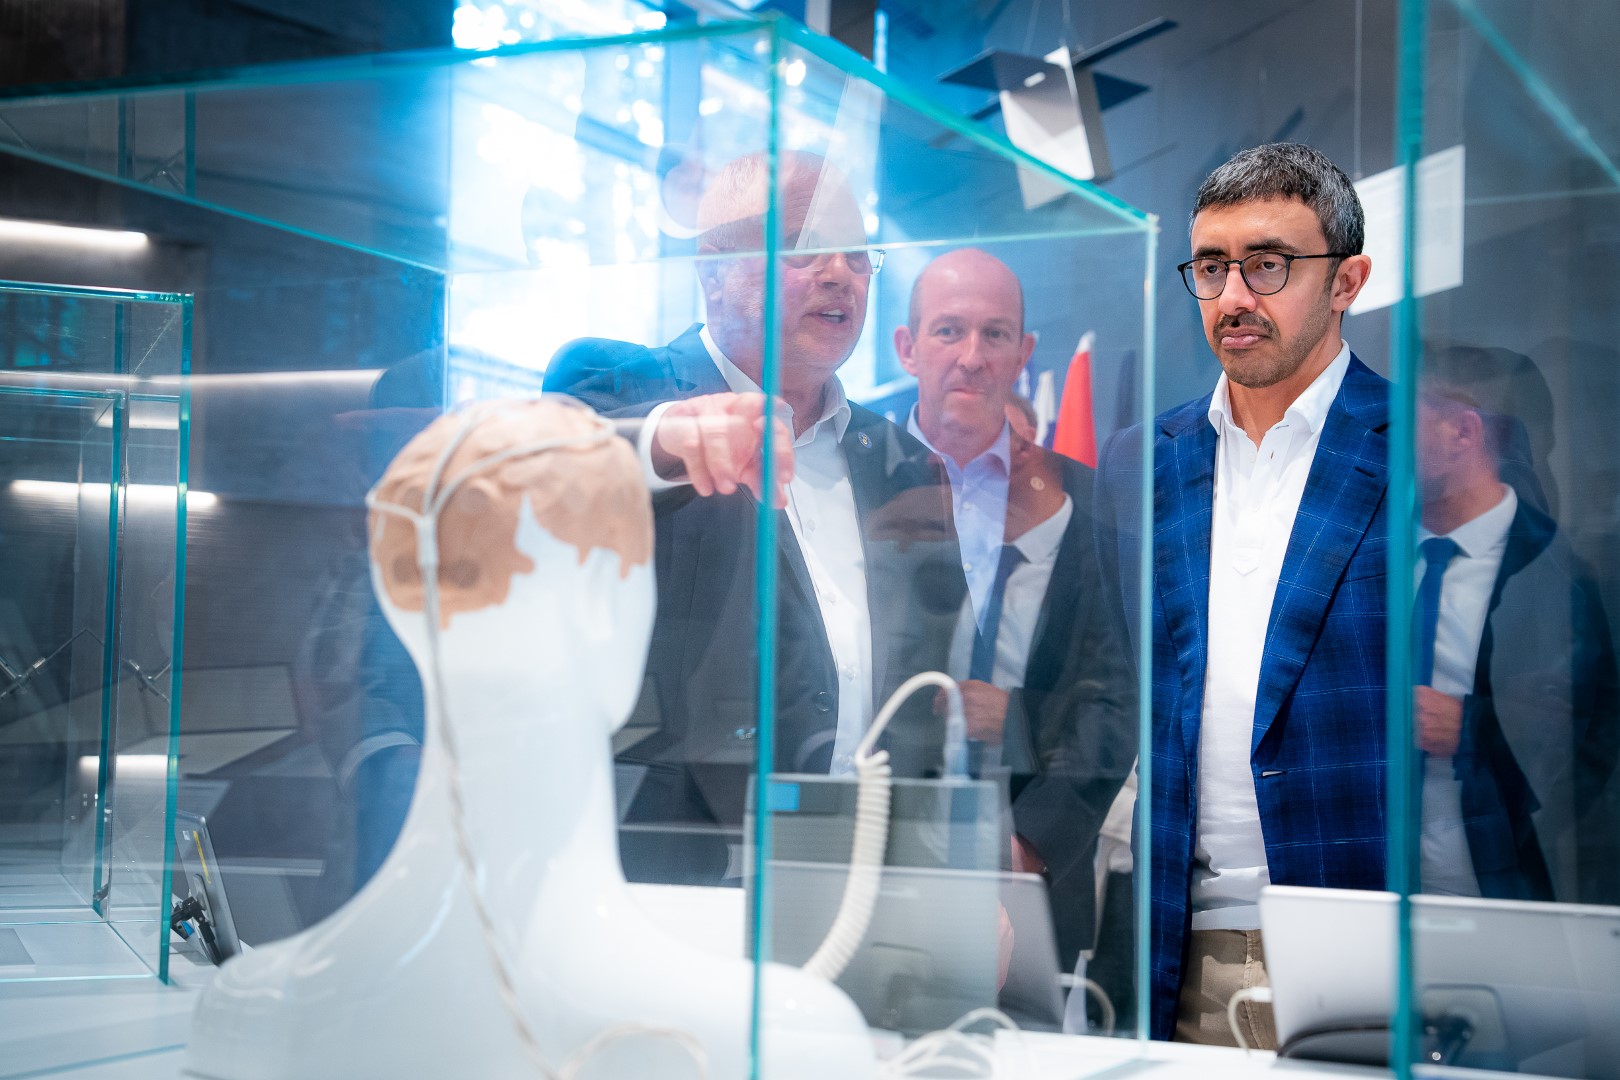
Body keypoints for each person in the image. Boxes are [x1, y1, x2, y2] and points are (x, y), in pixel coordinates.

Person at [544, 152, 965, 880]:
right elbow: (557, 462)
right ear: (714, 271)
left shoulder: (905, 464)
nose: (840, 274)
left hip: (866, 871)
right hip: (668, 868)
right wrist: (671, 440)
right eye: (804, 248)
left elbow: (937, 682)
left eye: (858, 255)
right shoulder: (615, 384)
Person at [1096, 142, 1381, 1046]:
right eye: (1212, 268)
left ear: (1346, 281)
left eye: (1268, 265)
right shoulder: (1142, 461)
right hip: (1181, 950)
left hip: (1370, 938)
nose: (1233, 297)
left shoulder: (1417, 444)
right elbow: (1118, 684)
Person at [892, 247, 1135, 978]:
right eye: (948, 330)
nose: (972, 355)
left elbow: (1115, 699)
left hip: (1035, 874)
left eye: (994, 334)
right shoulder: (856, 484)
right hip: (873, 849)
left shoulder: (1091, 505)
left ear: (1024, 353)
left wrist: (1030, 848)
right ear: (907, 348)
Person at [1413, 352, 1620, 904]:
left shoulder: (1559, 579)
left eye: (1407, 417)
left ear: (1463, 432)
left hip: (1509, 893)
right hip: (1366, 899)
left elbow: (1592, 741)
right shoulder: (1363, 554)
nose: (1384, 435)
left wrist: (1474, 729)